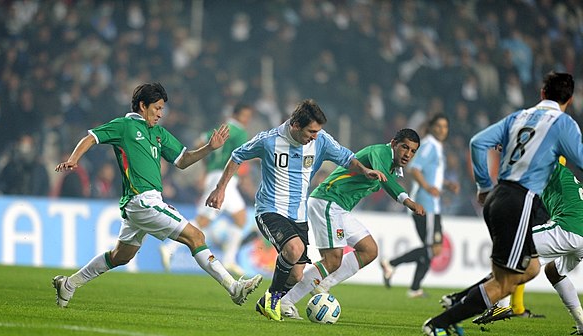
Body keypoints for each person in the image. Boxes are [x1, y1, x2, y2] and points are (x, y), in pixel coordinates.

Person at [52, 82, 262, 308]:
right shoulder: (124, 126)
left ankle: (70, 284)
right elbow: (91, 137)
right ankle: (234, 288)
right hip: (143, 201)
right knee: (196, 237)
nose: (161, 114)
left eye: (162, 109)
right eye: (157, 108)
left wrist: (209, 148)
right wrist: (74, 159)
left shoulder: (159, 132)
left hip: (142, 205)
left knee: (121, 256)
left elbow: (182, 161)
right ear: (142, 105)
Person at [423, 72, 583, 336]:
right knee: (505, 281)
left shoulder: (518, 118)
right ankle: (442, 321)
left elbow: (477, 142)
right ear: (569, 99)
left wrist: (484, 186)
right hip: (519, 201)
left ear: (542, 93)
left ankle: (460, 305)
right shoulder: (563, 123)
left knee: (531, 269)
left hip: (500, 196)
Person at [205, 99, 387, 321]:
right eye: (311, 131)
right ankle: (272, 300)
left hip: (298, 215)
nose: (315, 136)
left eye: (317, 131)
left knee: (297, 274)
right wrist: (220, 189)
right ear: (295, 125)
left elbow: (348, 158)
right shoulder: (269, 140)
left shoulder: (321, 141)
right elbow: (237, 156)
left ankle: (268, 302)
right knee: (293, 248)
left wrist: (365, 170)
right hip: (269, 209)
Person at [279, 129, 426, 319]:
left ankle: (323, 283)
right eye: (404, 147)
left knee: (369, 250)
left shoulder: (391, 166)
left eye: (413, 151)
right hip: (327, 200)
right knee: (333, 259)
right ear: (393, 143)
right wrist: (408, 201)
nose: (407, 154)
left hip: (339, 208)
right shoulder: (380, 152)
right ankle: (286, 301)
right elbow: (386, 180)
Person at [467, 159, 583, 335]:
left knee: (514, 244)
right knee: (554, 271)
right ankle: (581, 322)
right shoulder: (560, 178)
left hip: (568, 227)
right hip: (579, 234)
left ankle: (502, 305)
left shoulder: (549, 165)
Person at [160, 103, 254, 276]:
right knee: (204, 220)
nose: (246, 120)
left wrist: (206, 168)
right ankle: (169, 247)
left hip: (215, 176)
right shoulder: (239, 131)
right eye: (244, 116)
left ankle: (229, 260)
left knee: (240, 218)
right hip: (224, 178)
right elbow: (241, 156)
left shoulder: (221, 128)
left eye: (248, 116)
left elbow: (200, 142)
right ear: (236, 114)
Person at [380, 113, 459, 298]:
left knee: (430, 249)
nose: (442, 130)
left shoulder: (436, 147)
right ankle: (392, 263)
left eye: (445, 126)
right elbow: (414, 169)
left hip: (431, 203)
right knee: (434, 248)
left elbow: (430, 174)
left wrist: (445, 184)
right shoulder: (429, 145)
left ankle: (415, 288)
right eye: (438, 126)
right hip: (426, 204)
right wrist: (427, 187)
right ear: (431, 127)